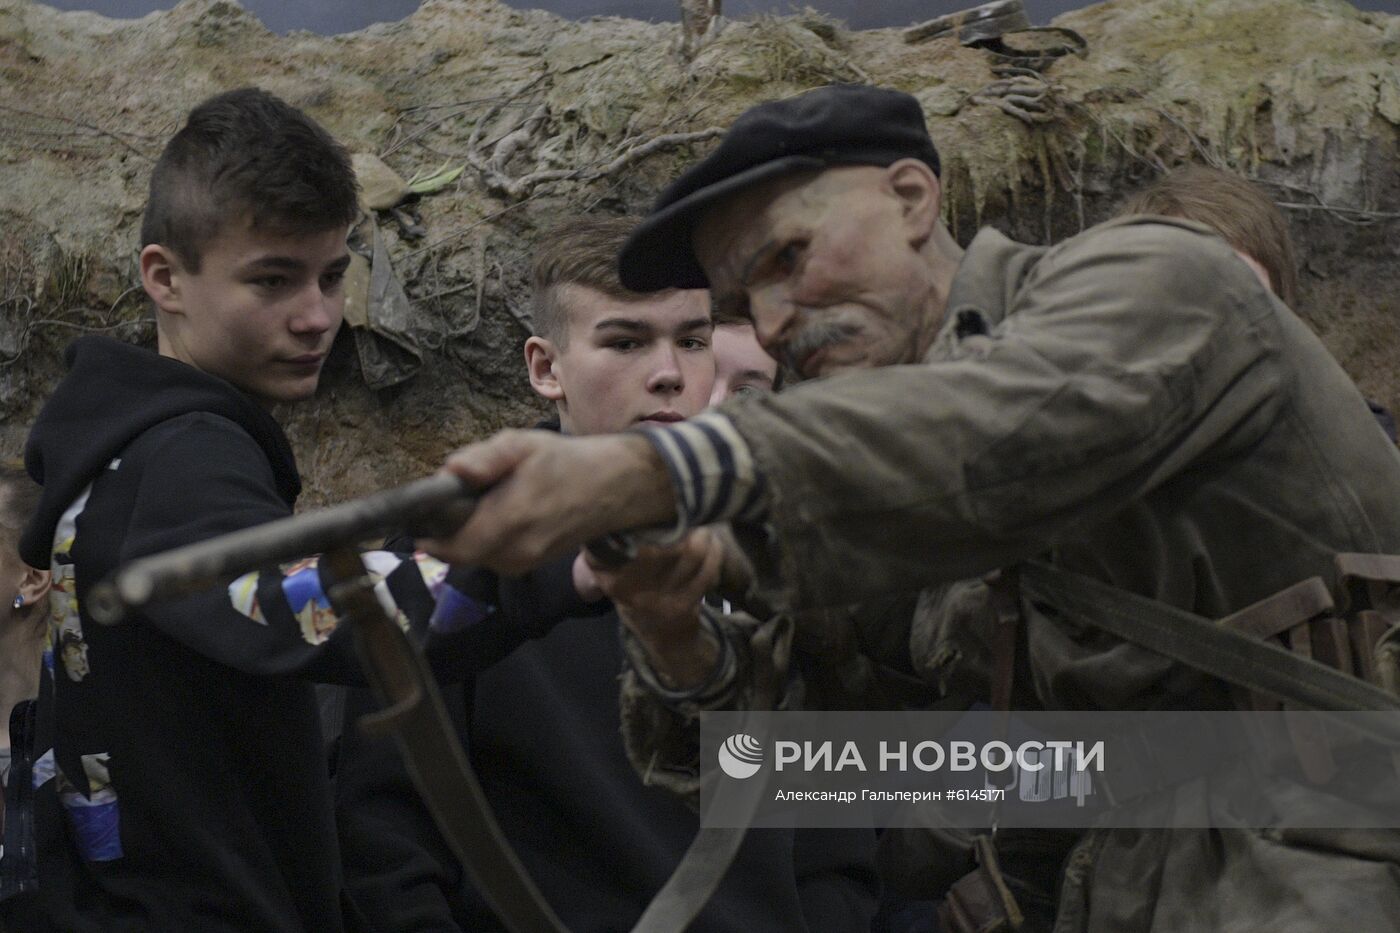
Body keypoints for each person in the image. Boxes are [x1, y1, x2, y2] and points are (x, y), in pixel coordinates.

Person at [421, 84, 1400, 930]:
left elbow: (997, 430)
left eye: (783, 258)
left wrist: (654, 472)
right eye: (741, 301)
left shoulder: (1156, 281)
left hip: (1334, 857)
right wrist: (678, 627)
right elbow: (804, 775)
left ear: (910, 198)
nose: (767, 323)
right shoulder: (893, 482)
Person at [335, 215, 877, 932]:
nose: (669, 373)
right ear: (544, 367)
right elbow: (385, 841)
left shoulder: (779, 555)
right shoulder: (457, 557)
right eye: (625, 341)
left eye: (691, 340)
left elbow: (836, 839)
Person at [15, 88, 450, 932]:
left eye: (332, 275)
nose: (319, 316)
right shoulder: (187, 455)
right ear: (165, 278)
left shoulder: (119, 444)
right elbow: (313, 609)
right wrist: (550, 563)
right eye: (273, 280)